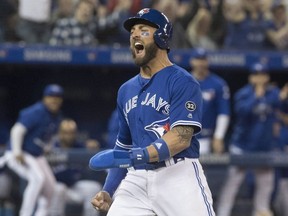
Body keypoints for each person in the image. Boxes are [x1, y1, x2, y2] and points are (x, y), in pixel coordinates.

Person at [90, 8, 215, 216]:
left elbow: (181, 138)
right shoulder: (125, 90)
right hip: (136, 178)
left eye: (143, 29)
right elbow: (124, 146)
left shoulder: (182, 81)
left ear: (161, 36)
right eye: (132, 32)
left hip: (177, 173)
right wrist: (108, 189)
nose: (134, 35)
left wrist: (138, 155)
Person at [216, 63, 287, 216]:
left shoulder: (273, 93)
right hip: (242, 148)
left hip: (264, 148)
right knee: (232, 185)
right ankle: (223, 212)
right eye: (256, 75)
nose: (260, 78)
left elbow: (278, 102)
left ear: (267, 77)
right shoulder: (243, 94)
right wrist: (258, 96)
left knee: (265, 187)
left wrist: (276, 95)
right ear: (251, 77)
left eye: (263, 75)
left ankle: (260, 211)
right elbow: (243, 112)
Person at [4, 84, 64, 216]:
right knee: (37, 179)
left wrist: (47, 146)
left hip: (36, 155)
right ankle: (25, 213)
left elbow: (49, 136)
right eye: (51, 97)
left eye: (57, 97)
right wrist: (17, 151)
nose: (54, 100)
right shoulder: (36, 111)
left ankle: (42, 212)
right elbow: (17, 130)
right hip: (19, 153)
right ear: (44, 98)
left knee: (50, 185)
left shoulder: (56, 115)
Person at [49, 118, 102, 216]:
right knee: (58, 189)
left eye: (72, 132)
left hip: (73, 186)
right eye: (66, 133)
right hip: (56, 188)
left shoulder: (79, 147)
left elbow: (92, 151)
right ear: (60, 133)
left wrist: (92, 147)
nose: (69, 136)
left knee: (94, 187)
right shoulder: (51, 148)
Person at [190, 48, 231, 154]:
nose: (200, 63)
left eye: (203, 59)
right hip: (182, 136)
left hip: (204, 138)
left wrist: (218, 137)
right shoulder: (183, 81)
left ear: (207, 61)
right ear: (192, 61)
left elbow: (224, 112)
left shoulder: (218, 84)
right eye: (198, 59)